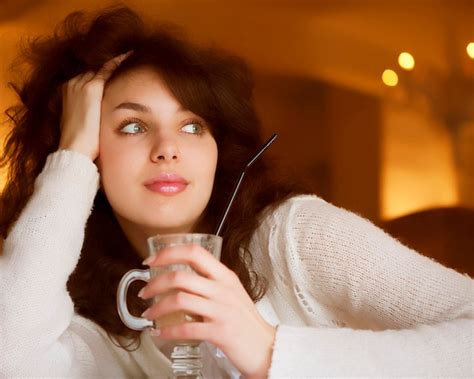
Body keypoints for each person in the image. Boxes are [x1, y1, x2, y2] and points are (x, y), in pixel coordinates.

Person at [0, 6, 472, 378]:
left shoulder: (293, 237)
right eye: (132, 126)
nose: (168, 149)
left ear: (217, 151)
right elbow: (11, 358)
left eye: (192, 126)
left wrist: (268, 349)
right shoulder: (106, 310)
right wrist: (70, 159)